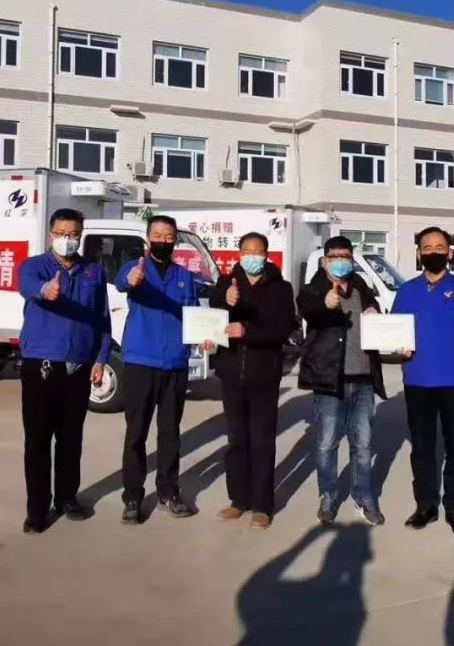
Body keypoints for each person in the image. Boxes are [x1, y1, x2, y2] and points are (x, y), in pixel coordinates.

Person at [17, 208, 111, 533]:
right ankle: (37, 510)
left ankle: (67, 498)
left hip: (79, 368)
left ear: (80, 236)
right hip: (41, 366)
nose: (67, 240)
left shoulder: (93, 272)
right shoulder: (35, 266)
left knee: (71, 439)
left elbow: (102, 318)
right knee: (38, 441)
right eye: (61, 233)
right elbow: (27, 285)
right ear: (51, 234)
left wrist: (101, 358)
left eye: (73, 235)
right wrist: (46, 290)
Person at [391, 226, 454, 536]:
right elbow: (394, 329)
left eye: (440, 247)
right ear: (419, 253)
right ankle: (425, 506)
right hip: (418, 379)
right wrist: (395, 344)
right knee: (422, 447)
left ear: (450, 252)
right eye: (427, 247)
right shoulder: (407, 291)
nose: (433, 252)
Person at [115, 215, 200, 525]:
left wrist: (205, 337)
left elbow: (193, 315)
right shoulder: (136, 268)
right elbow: (123, 281)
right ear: (149, 238)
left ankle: (168, 492)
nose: (164, 240)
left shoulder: (185, 276)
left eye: (169, 236)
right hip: (141, 362)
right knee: (136, 433)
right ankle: (132, 497)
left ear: (175, 240)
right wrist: (133, 279)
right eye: (158, 235)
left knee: (170, 434)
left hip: (175, 364)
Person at [209, 232, 296, 530]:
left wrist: (248, 332)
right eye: (247, 251)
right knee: (237, 440)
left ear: (266, 255)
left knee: (262, 441)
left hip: (264, 374)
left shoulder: (281, 288)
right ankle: (238, 500)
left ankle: (262, 505)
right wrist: (224, 300)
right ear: (239, 253)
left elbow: (282, 329)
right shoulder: (227, 282)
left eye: (257, 251)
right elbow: (212, 314)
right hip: (231, 373)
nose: (252, 256)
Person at [298, 235, 387, 527]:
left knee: (363, 444)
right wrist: (326, 303)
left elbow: (377, 319)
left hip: (364, 379)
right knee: (327, 443)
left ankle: (364, 496)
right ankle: (328, 494)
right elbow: (308, 308)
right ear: (325, 261)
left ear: (352, 260)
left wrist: (374, 311)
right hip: (329, 380)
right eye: (334, 257)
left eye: (346, 257)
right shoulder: (313, 289)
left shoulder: (361, 287)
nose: (340, 262)